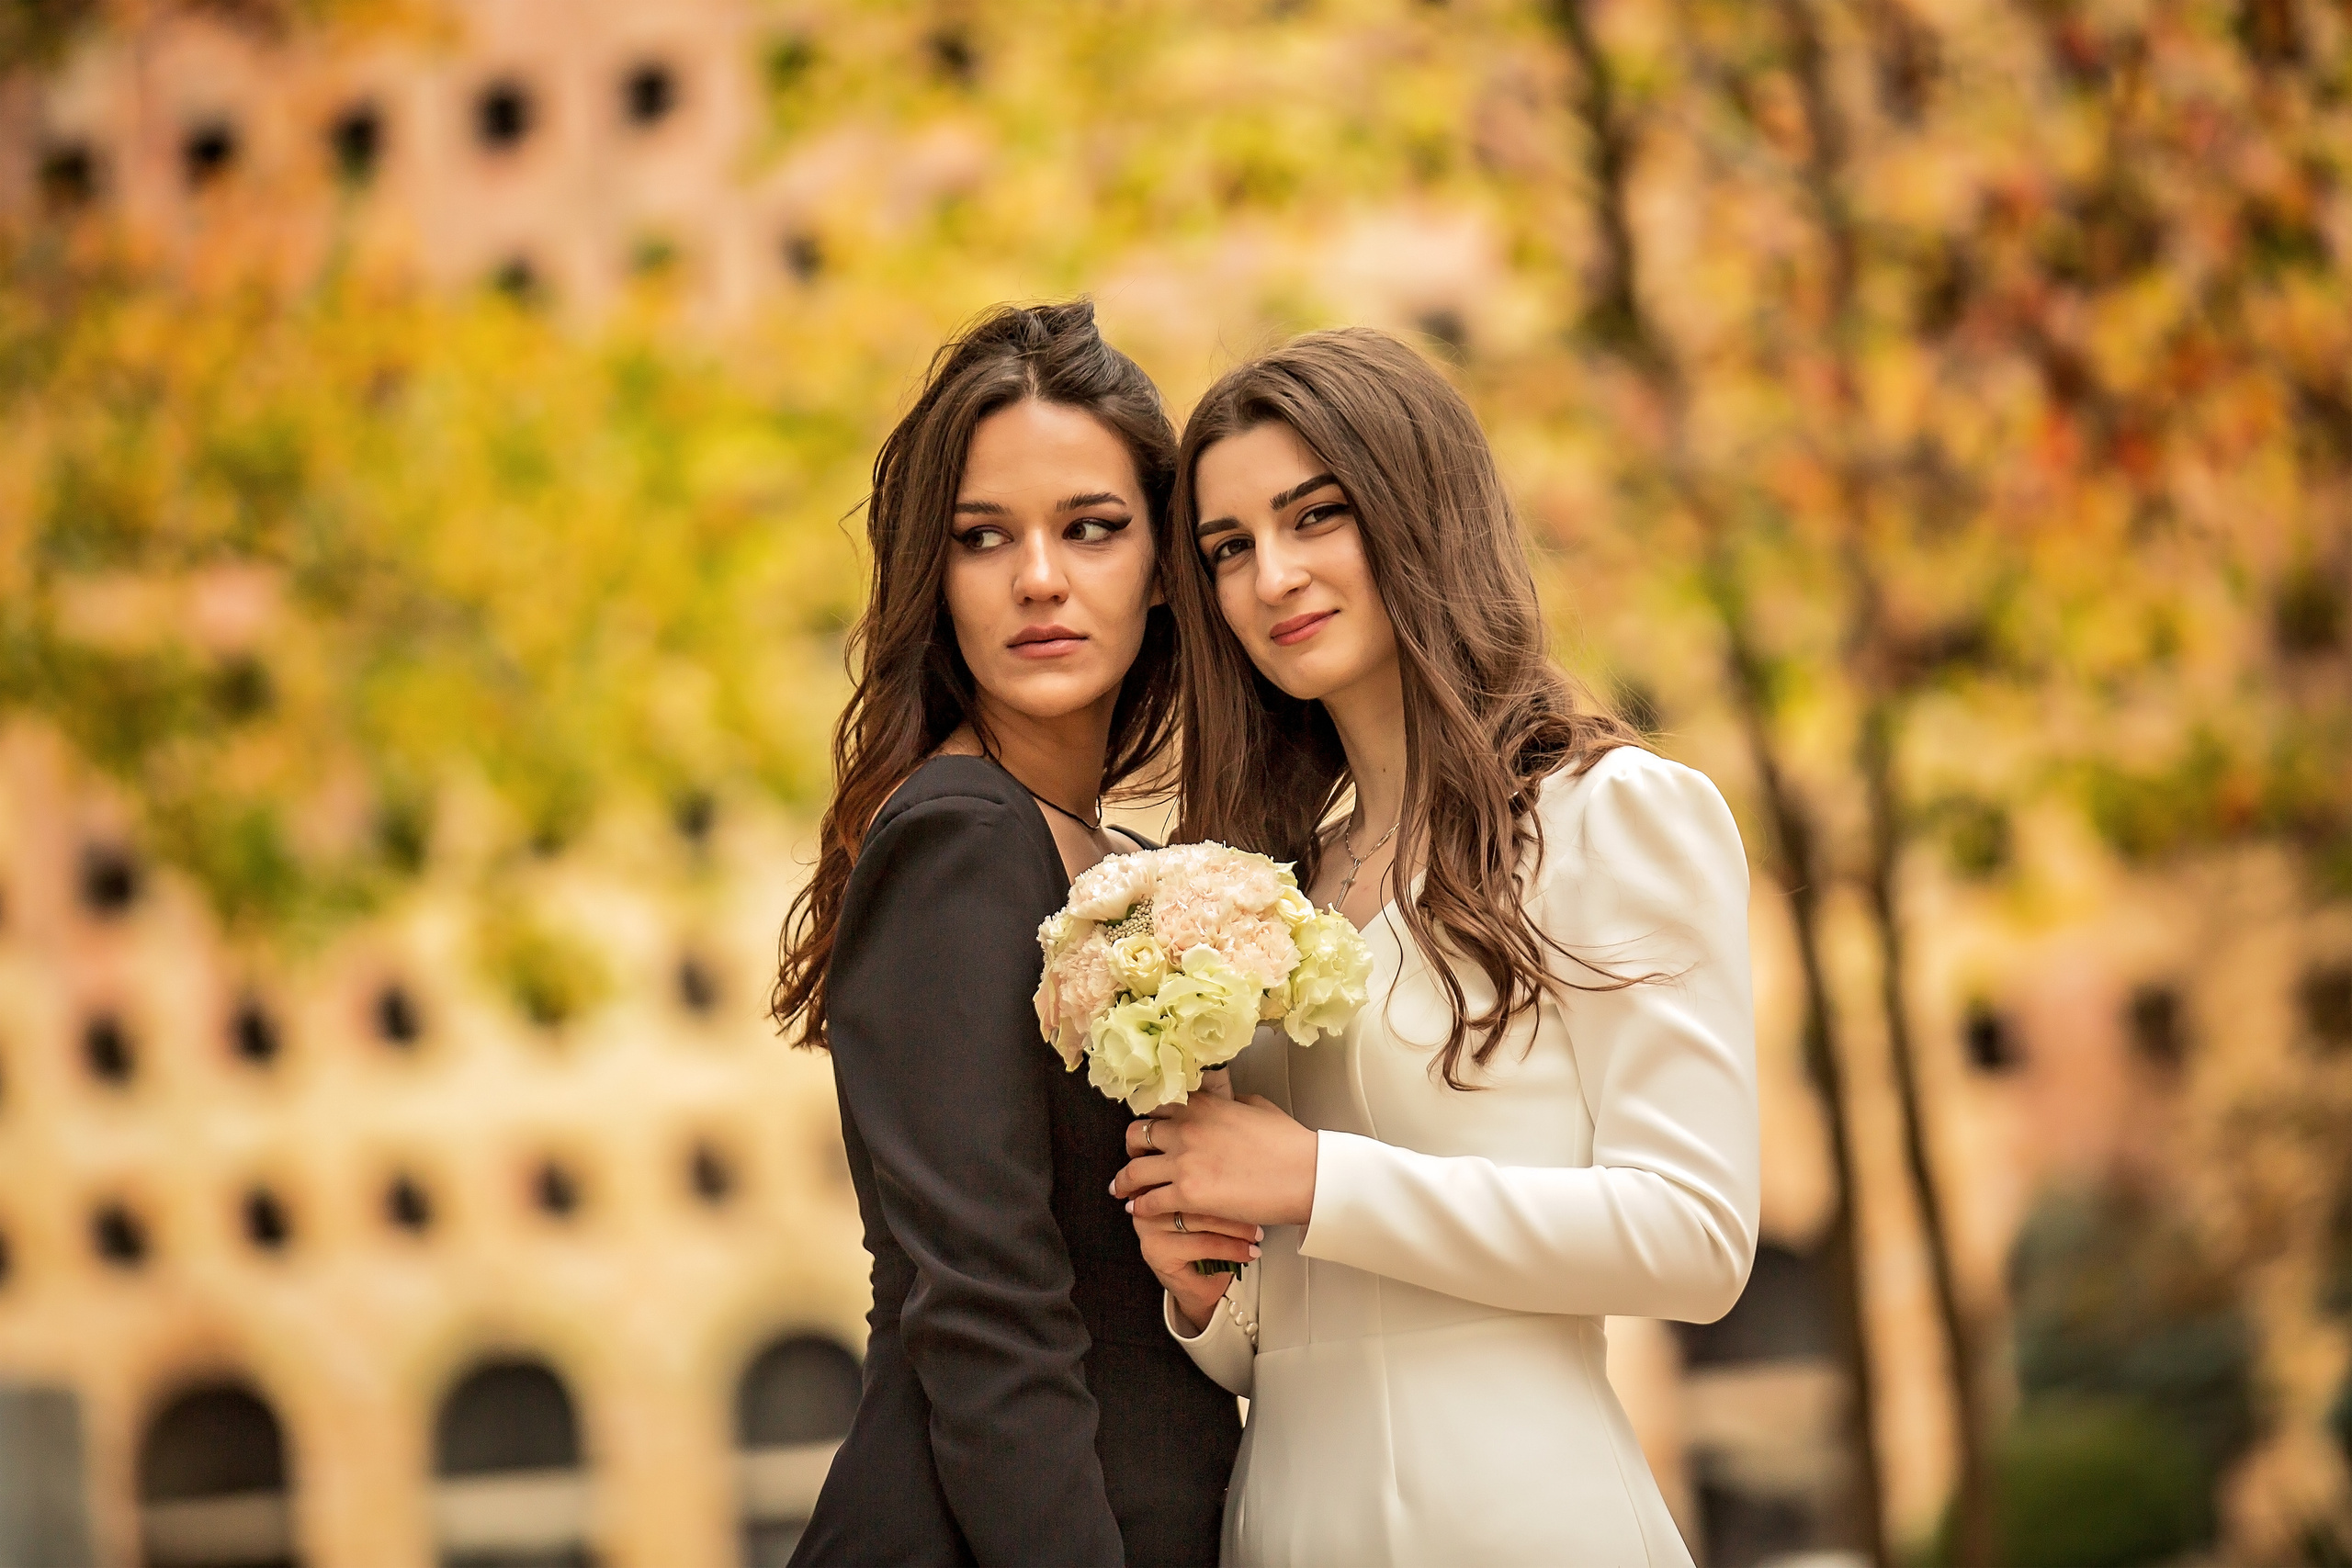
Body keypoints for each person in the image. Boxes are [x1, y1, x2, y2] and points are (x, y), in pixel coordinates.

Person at [1111, 328, 1759, 1566]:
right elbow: (1274, 1337)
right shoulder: (1272, 888)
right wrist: (1202, 1285)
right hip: (1289, 1526)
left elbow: (1696, 1238)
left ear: (1420, 514)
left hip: (1523, 1520)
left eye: (1317, 517)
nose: (1271, 578)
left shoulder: (1608, 818)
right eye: (1228, 549)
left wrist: (1316, 1180)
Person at [773, 301, 1239, 1567]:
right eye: (985, 540)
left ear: (1160, 564)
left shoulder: (1124, 864)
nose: (1040, 578)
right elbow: (985, 1318)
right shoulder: (961, 836)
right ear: (936, 576)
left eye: (1091, 529)